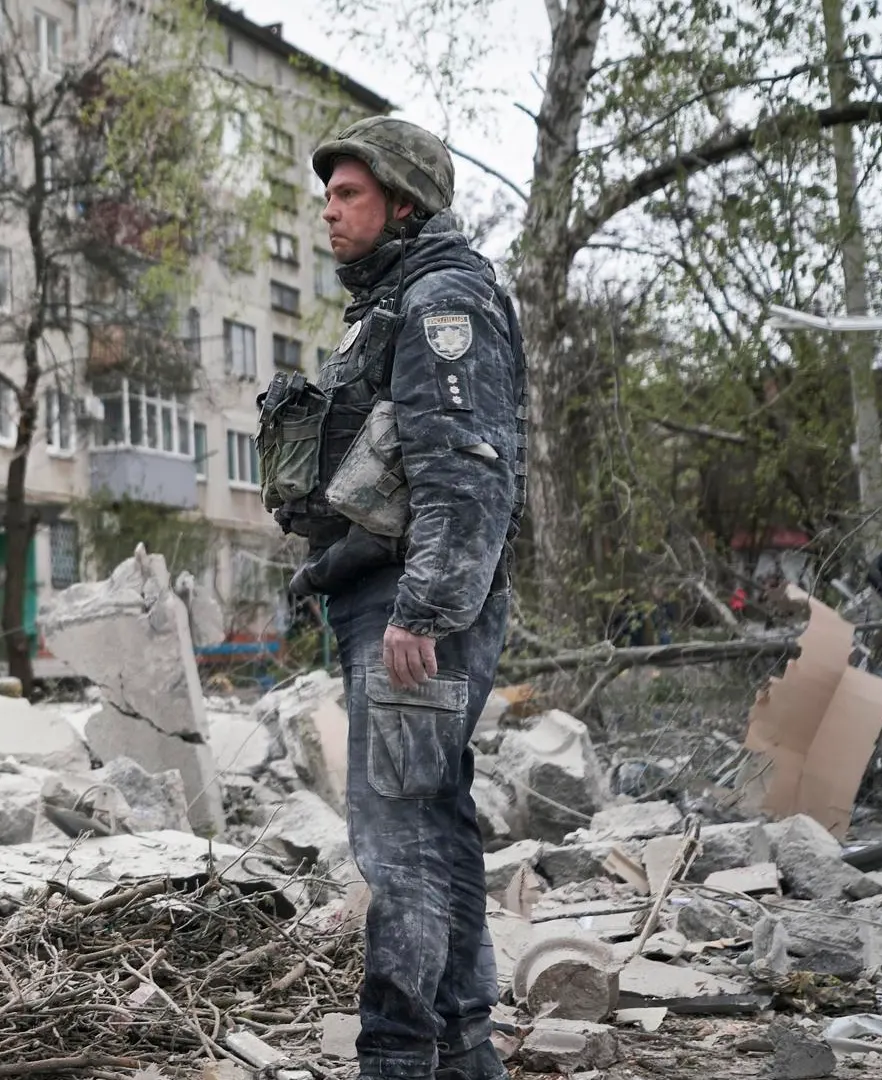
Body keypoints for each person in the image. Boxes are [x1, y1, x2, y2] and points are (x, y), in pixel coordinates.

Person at [266, 117, 528, 1080]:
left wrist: (424, 612)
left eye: (349, 196)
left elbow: (465, 471)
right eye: (327, 194)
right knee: (434, 819)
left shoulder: (443, 302)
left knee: (398, 837)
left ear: (403, 202)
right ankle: (461, 1055)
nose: (328, 211)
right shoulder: (402, 302)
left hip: (418, 612)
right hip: (394, 596)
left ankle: (398, 1058)